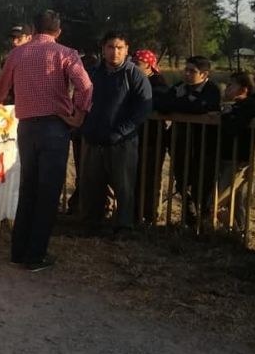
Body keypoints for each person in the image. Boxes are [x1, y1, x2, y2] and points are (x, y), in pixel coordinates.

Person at [0, 9, 93, 272]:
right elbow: (86, 86)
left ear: (33, 30)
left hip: (25, 127)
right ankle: (36, 255)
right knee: (47, 192)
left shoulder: (16, 54)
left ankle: (18, 251)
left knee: (28, 189)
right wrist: (78, 115)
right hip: (54, 127)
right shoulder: (66, 54)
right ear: (58, 31)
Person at [79, 33, 153, 235]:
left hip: (123, 142)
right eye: (111, 47)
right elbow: (81, 99)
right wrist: (85, 127)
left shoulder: (135, 75)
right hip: (94, 139)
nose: (115, 51)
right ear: (103, 49)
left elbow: (143, 109)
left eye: (119, 47)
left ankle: (123, 226)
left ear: (127, 49)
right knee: (92, 184)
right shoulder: (93, 73)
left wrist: (121, 132)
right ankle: (91, 224)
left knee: (124, 186)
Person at [157, 56, 221, 227]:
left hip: (204, 145)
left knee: (203, 185)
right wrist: (185, 103)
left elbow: (200, 107)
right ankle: (189, 220)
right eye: (186, 69)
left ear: (204, 74)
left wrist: (179, 103)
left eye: (192, 71)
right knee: (182, 181)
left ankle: (205, 223)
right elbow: (163, 104)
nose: (187, 74)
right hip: (180, 144)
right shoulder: (179, 86)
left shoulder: (212, 89)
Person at [209, 72, 255, 232]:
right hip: (228, 158)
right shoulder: (235, 106)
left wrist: (225, 115)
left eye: (231, 85)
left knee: (215, 203)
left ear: (244, 89)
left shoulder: (249, 106)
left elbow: (234, 128)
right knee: (237, 200)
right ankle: (238, 232)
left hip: (238, 160)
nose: (227, 88)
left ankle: (237, 231)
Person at [132, 49, 169, 225]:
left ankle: (150, 215)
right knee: (134, 177)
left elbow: (159, 102)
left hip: (153, 138)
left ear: (148, 66)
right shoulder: (133, 80)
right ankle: (135, 213)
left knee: (150, 178)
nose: (133, 66)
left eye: (137, 63)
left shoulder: (158, 84)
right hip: (135, 137)